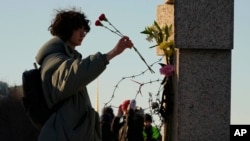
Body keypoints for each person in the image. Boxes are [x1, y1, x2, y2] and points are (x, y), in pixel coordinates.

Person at [35, 8, 133, 141]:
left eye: (84, 29)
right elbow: (72, 75)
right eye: (78, 28)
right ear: (66, 29)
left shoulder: (65, 57)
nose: (83, 33)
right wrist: (111, 54)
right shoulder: (53, 59)